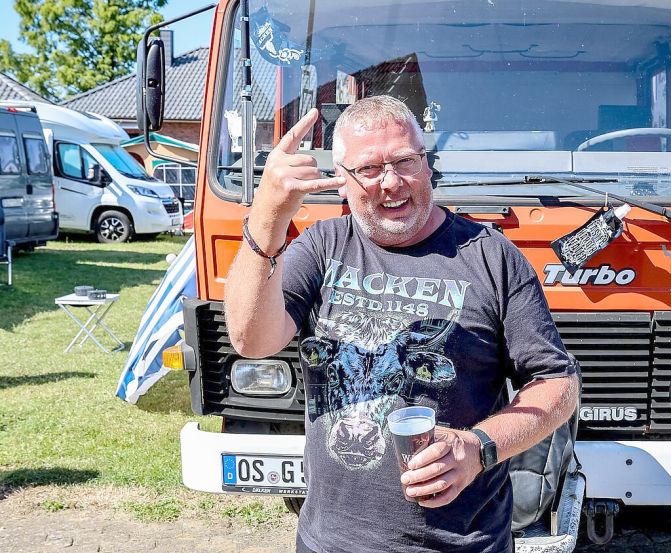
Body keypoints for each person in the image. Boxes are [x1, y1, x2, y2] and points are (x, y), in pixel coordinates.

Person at [224, 95, 581, 553]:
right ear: (343, 181)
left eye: (404, 161)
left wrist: (478, 448)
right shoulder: (321, 246)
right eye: (369, 169)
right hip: (329, 543)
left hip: (463, 544)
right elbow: (251, 340)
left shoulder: (492, 257)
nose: (391, 183)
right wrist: (267, 217)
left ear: (427, 164)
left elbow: (558, 382)